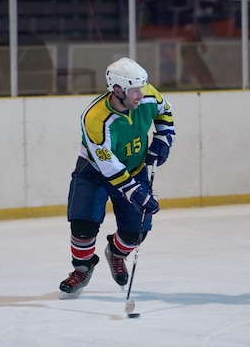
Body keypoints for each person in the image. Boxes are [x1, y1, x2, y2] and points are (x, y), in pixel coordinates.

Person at [59, 57, 175, 297]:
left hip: (134, 170)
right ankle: (82, 268)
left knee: (137, 232)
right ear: (117, 89)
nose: (141, 95)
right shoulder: (95, 118)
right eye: (135, 90)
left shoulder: (147, 94)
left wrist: (163, 139)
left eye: (142, 87)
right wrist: (135, 192)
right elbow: (107, 164)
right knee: (83, 226)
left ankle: (116, 253)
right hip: (94, 173)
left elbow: (165, 112)